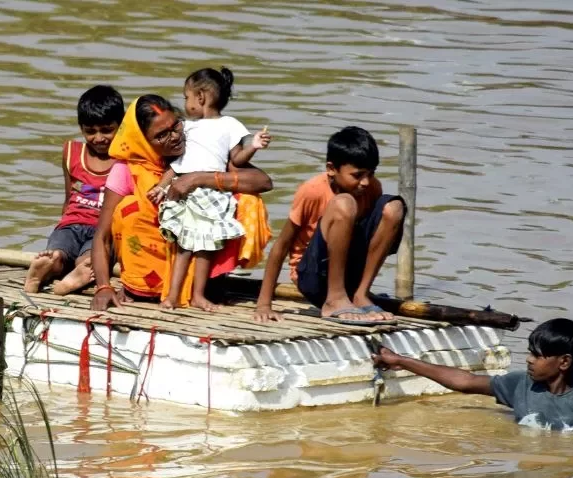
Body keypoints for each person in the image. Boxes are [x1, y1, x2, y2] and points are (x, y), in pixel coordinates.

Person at [89, 94, 274, 312]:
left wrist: (198, 178)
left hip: (204, 275)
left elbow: (263, 182)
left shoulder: (201, 151)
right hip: (144, 287)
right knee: (130, 209)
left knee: (249, 201)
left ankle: (200, 290)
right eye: (162, 136)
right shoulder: (127, 169)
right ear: (143, 141)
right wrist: (103, 287)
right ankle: (144, 289)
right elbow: (102, 235)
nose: (175, 137)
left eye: (176, 126)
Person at [372, 318, 573, 447]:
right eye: (530, 352)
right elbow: (464, 381)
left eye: (538, 355)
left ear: (564, 362)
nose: (529, 359)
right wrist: (400, 361)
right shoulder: (521, 386)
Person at [253, 126, 405, 326]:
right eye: (357, 175)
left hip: (350, 273)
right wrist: (264, 304)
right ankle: (335, 299)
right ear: (331, 169)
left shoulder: (371, 187)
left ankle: (360, 294)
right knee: (344, 202)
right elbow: (281, 245)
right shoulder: (313, 191)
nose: (366, 182)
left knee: (394, 207)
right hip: (313, 277)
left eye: (371, 173)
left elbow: (372, 233)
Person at [149, 68, 271, 311]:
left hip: (213, 194)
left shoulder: (230, 125)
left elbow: (236, 160)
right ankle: (172, 297)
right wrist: (161, 186)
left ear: (201, 98)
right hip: (185, 193)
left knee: (206, 247)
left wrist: (254, 146)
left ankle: (198, 296)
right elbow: (177, 165)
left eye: (187, 97)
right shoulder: (186, 127)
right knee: (184, 246)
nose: (185, 102)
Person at [25, 85, 125, 295]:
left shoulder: (127, 160)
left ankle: (66, 271)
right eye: (90, 131)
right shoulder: (72, 153)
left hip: (101, 230)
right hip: (71, 224)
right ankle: (47, 268)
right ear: (81, 128)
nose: (98, 138)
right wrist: (62, 223)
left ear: (121, 126)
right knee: (61, 253)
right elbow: (68, 197)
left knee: (81, 257)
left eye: (107, 130)